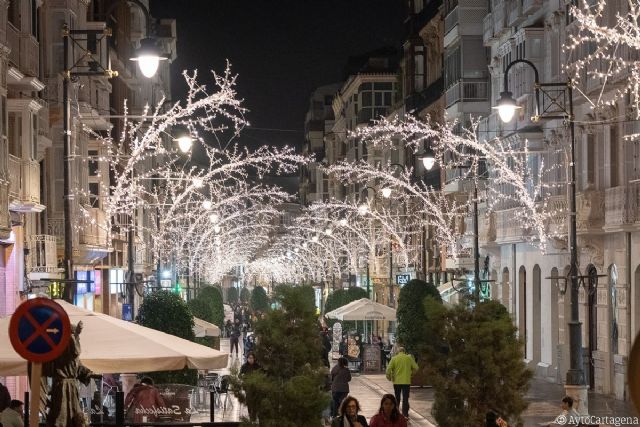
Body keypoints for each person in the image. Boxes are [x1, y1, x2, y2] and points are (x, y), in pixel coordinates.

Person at [385, 346, 418, 418]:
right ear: (404, 351)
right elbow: (416, 368)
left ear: (398, 352)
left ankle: (396, 413)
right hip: (406, 381)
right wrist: (411, 374)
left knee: (397, 398)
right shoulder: (409, 358)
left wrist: (389, 377)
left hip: (397, 382)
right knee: (405, 398)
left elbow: (388, 369)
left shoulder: (394, 358)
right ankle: (405, 414)